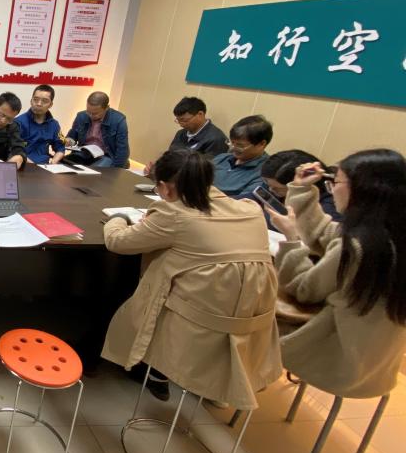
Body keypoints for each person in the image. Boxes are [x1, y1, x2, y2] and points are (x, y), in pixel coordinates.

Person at [100, 149, 280, 407]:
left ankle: (152, 369)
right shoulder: (250, 209)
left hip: (200, 320)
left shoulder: (174, 215)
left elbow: (118, 242)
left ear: (164, 188)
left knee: (144, 280)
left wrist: (118, 219)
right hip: (251, 320)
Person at [266, 150, 406, 399]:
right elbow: (325, 233)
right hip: (379, 366)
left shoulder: (358, 247)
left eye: (335, 182)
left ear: (362, 190)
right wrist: (302, 190)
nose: (331, 189)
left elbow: (304, 290)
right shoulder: (390, 234)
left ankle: (225, 389)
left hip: (336, 357)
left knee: (244, 308)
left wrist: (292, 240)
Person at [144, 96, 228, 174]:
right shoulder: (181, 133)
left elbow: (207, 171)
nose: (181, 124)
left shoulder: (216, 138)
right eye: (178, 120)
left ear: (200, 114)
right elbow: (170, 157)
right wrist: (158, 165)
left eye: (184, 120)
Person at [259, 150, 340, 222]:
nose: (270, 189)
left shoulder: (329, 208)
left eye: (278, 188)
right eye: (266, 182)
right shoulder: (273, 183)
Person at [64, 91, 129, 168]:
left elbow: (122, 150)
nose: (90, 115)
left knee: (92, 173)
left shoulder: (118, 120)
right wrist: (69, 141)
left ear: (107, 108)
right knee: (62, 163)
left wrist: (116, 169)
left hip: (106, 156)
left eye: (95, 113)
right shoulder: (81, 116)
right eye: (88, 111)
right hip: (83, 153)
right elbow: (72, 136)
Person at [211, 115, 271, 197]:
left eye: (240, 145)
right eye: (231, 143)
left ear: (261, 144)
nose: (232, 148)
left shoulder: (266, 174)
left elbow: (244, 202)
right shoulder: (221, 158)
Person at [15, 84, 67, 165]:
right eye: (35, 99)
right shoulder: (18, 122)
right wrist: (34, 166)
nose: (39, 104)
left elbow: (60, 148)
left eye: (44, 101)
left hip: (45, 166)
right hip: (24, 165)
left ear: (51, 105)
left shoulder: (54, 125)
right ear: (31, 101)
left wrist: (53, 162)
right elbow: (15, 150)